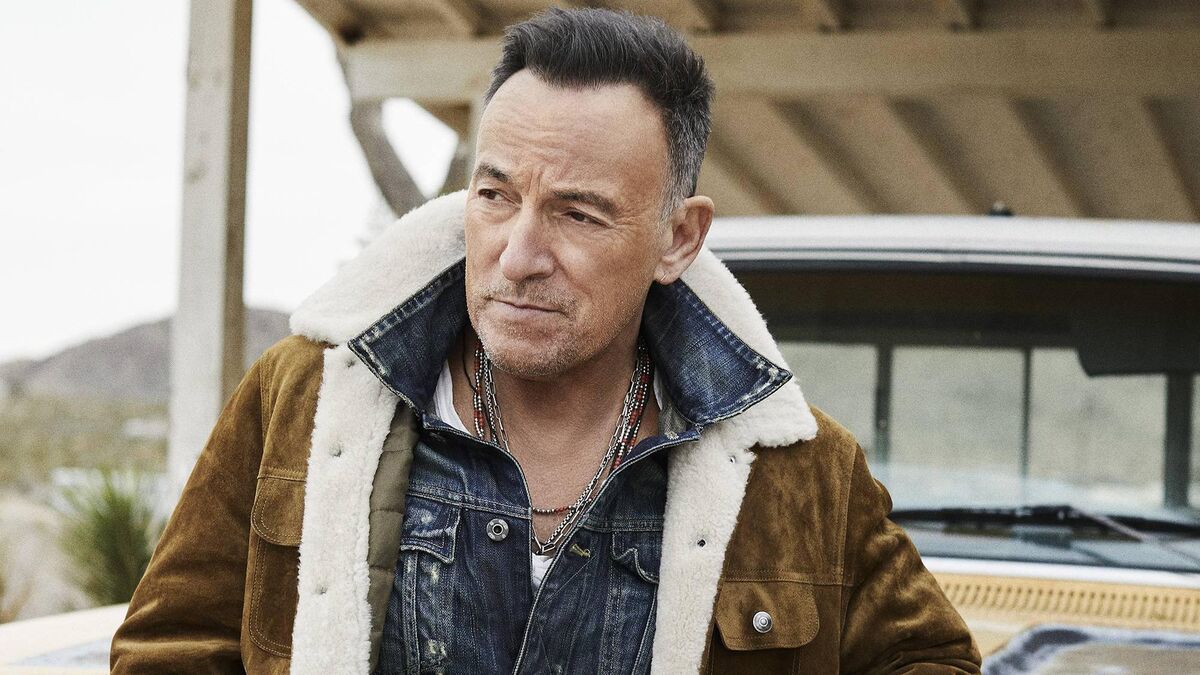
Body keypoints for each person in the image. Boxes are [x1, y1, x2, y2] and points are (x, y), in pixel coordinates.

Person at [111, 7, 981, 674]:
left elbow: (932, 660)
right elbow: (168, 648)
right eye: (495, 196)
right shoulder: (304, 399)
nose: (518, 255)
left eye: (578, 213)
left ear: (678, 238)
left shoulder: (799, 469)